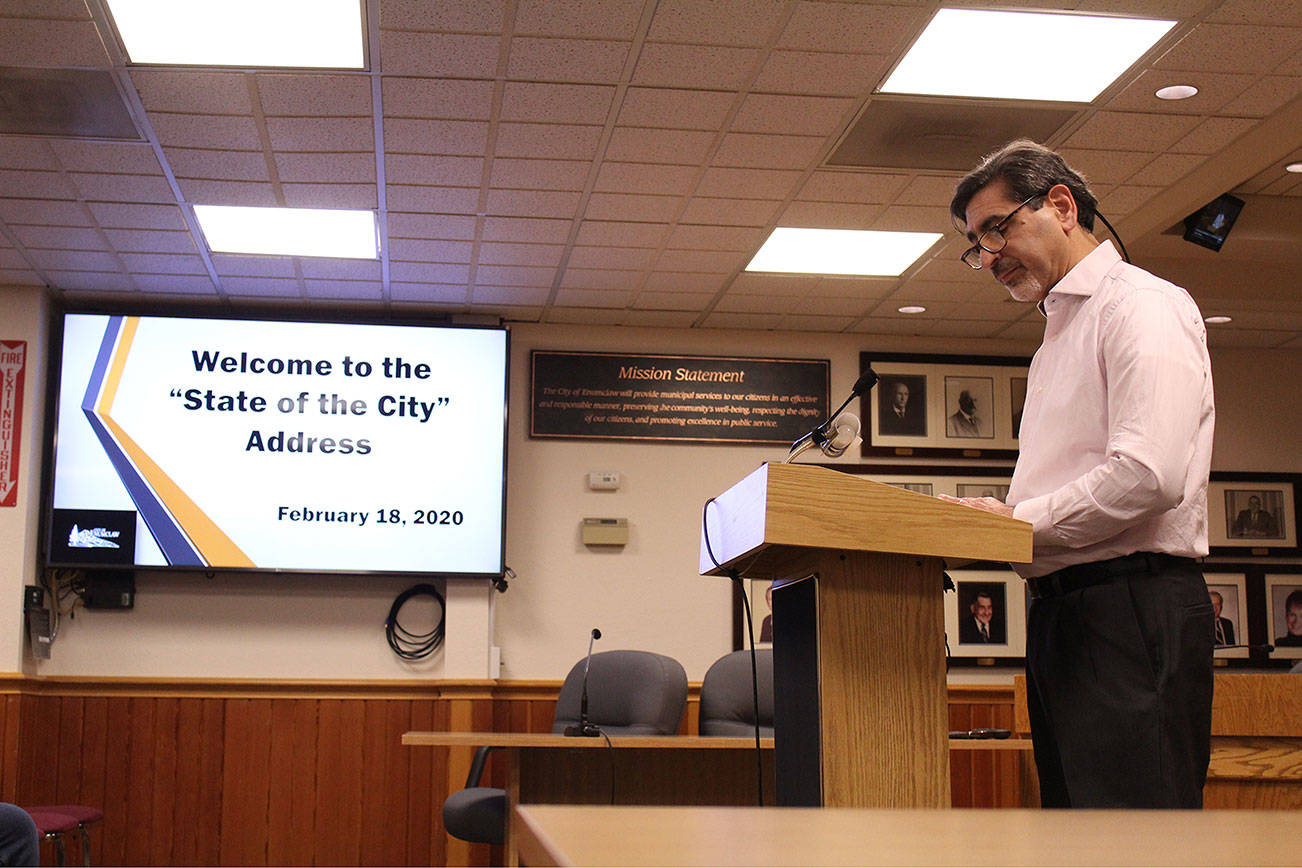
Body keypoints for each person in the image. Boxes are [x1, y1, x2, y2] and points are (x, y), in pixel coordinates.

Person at [941, 140, 1215, 809]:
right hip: (1064, 613)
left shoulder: (1140, 305)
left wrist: (1017, 523)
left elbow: (1149, 473)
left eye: (997, 229)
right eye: (976, 245)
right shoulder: (1056, 337)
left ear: (1061, 206)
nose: (989, 257)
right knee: (1076, 835)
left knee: (1136, 838)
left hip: (1129, 610)